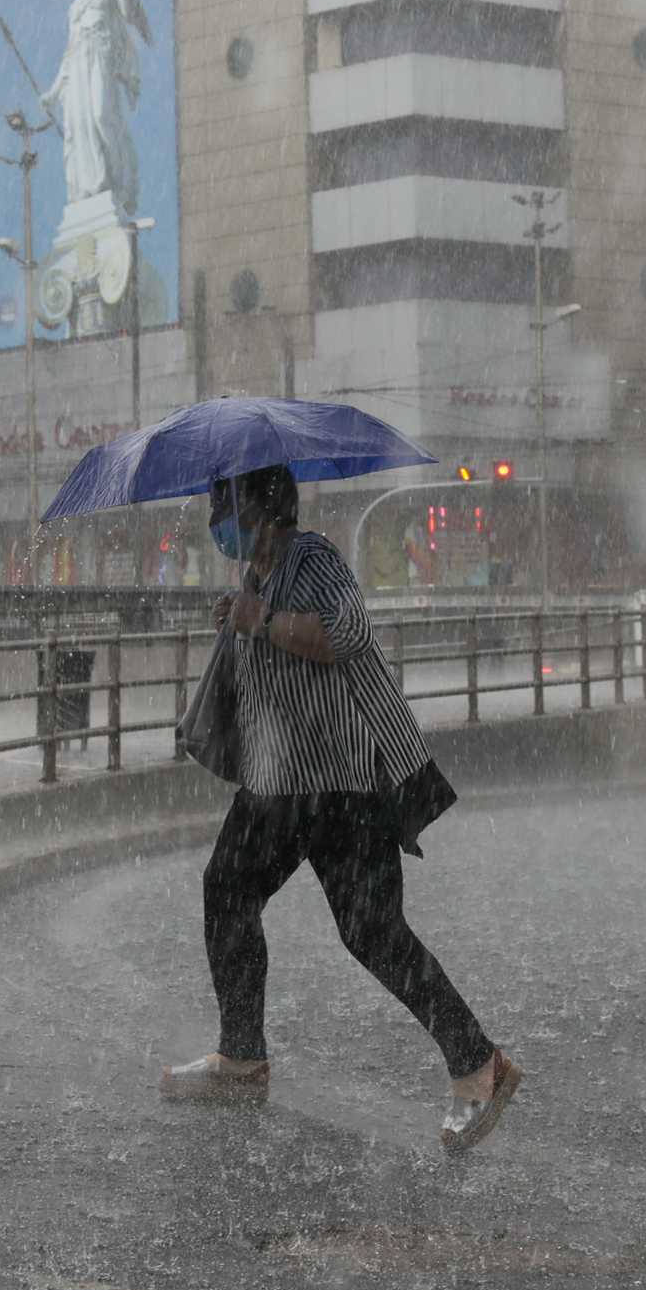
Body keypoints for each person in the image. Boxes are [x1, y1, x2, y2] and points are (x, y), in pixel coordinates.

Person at [159, 464, 521, 1152]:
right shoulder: (257, 577)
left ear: (265, 509)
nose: (215, 521)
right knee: (228, 889)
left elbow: (346, 633)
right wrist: (244, 619)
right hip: (282, 784)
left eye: (225, 504)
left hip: (344, 783)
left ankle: (480, 1065)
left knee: (374, 934)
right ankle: (242, 1056)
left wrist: (259, 621)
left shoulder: (313, 558)